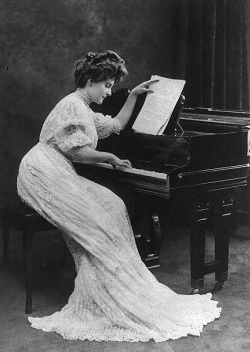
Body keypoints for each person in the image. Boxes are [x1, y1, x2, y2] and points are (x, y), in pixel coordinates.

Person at [17, 50, 221, 343]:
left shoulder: (83, 107)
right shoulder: (72, 107)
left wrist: (135, 95)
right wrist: (110, 157)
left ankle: (125, 286)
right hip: (41, 173)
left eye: (112, 85)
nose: (110, 91)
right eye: (107, 85)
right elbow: (79, 152)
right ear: (90, 80)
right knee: (98, 223)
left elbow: (116, 125)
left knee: (113, 205)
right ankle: (109, 295)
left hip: (57, 170)